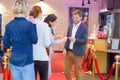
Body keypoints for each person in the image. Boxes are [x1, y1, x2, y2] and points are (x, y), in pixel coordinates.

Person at [3, 0, 38, 80]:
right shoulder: (29, 25)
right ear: (26, 9)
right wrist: (34, 25)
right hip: (27, 61)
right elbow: (35, 40)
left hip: (14, 60)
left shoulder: (9, 25)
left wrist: (15, 41)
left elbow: (6, 43)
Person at [63, 9, 88, 80]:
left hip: (78, 54)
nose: (74, 19)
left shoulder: (84, 28)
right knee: (66, 71)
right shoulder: (70, 26)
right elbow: (67, 38)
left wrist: (76, 40)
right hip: (69, 52)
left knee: (78, 73)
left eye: (76, 17)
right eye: (73, 17)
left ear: (81, 17)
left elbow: (84, 40)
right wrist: (65, 48)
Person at [29, 6, 51, 80]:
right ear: (39, 13)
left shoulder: (28, 24)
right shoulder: (44, 25)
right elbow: (47, 43)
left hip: (31, 57)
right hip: (42, 57)